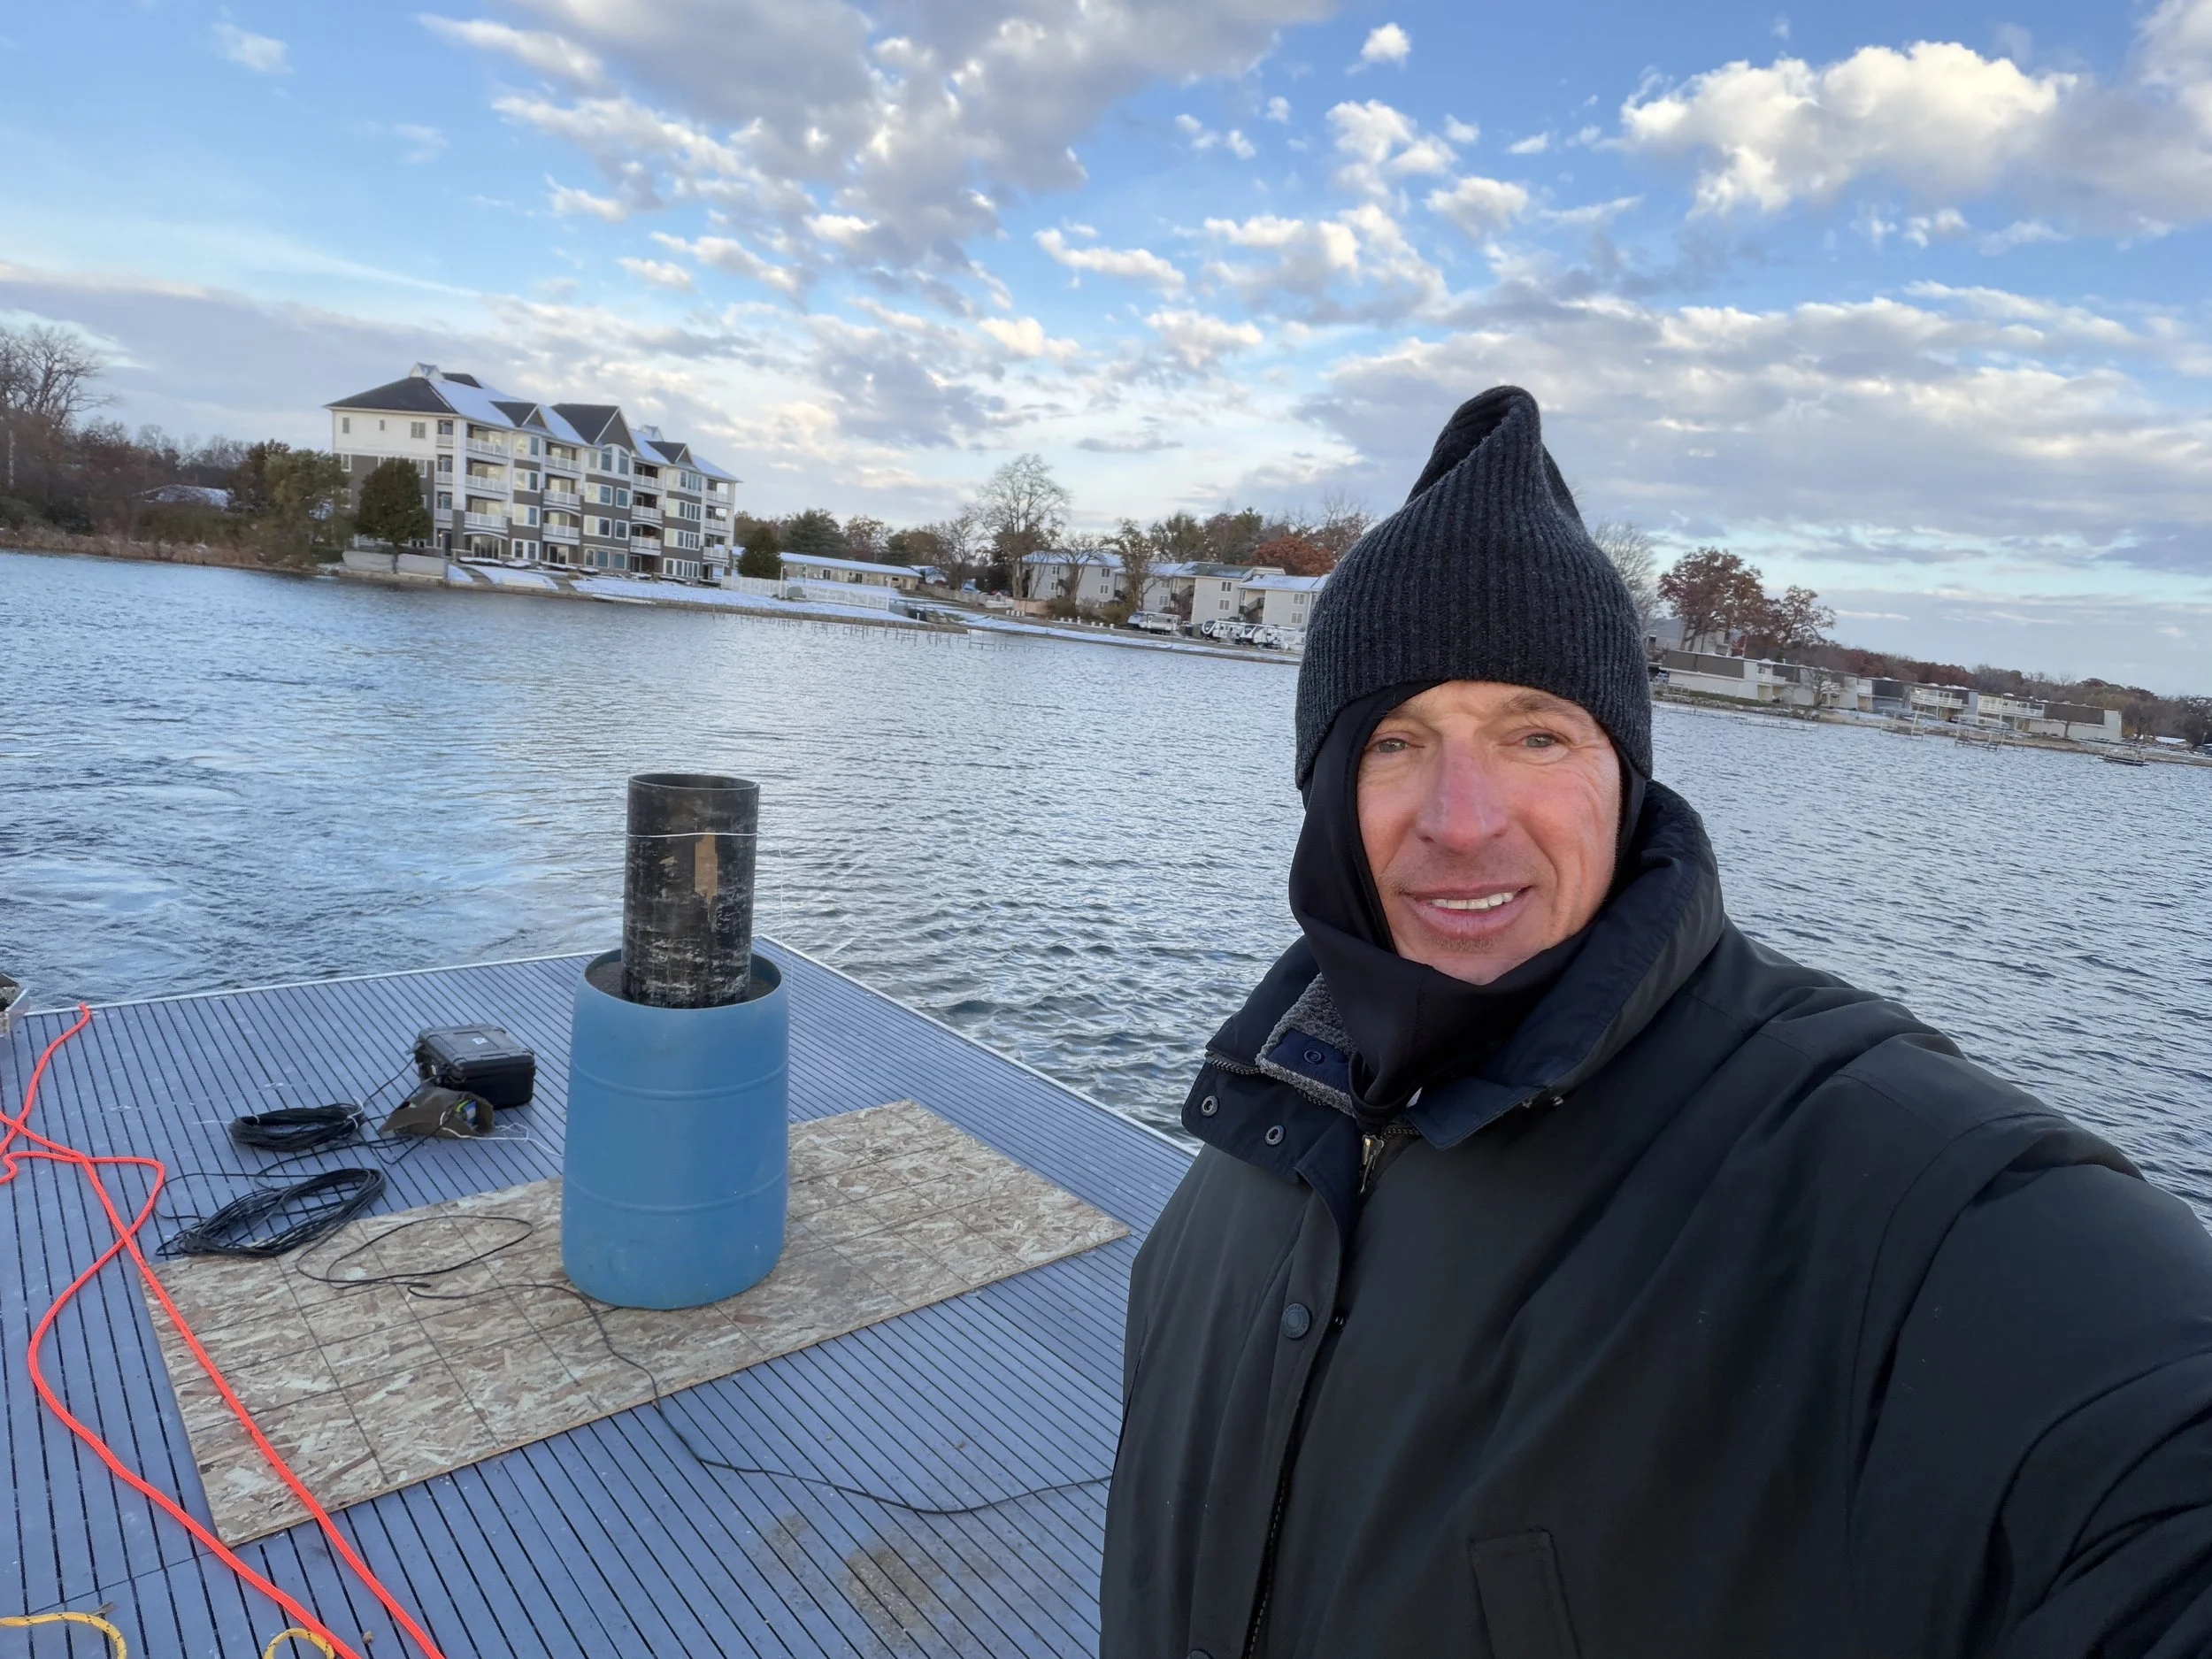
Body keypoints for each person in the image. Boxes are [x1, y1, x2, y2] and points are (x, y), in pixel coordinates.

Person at [1100, 387, 2212, 1659]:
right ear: (1323, 787)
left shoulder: (1857, 1174)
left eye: (1535, 734)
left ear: (1624, 776)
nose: (1462, 820)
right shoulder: (1266, 1113)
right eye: (1396, 740)